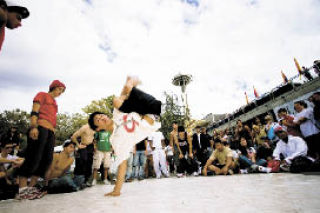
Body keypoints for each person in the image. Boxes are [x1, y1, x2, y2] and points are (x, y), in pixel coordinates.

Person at [88, 76, 161, 196]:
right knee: (118, 100)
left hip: (147, 109)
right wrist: (117, 190)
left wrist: (126, 87)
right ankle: (131, 83)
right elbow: (122, 165)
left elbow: (121, 95)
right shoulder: (116, 141)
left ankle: (131, 83)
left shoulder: (116, 115)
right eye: (98, 120)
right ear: (98, 128)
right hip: (151, 117)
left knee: (117, 101)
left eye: (101, 115)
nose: (102, 117)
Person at [17, 80, 66, 200]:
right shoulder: (42, 95)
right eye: (59, 89)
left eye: (62, 91)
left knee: (46, 160)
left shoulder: (55, 103)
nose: (60, 92)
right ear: (53, 87)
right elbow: (35, 110)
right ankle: (22, 190)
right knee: (33, 157)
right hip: (40, 127)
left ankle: (30, 189)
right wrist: (34, 127)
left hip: (50, 132)